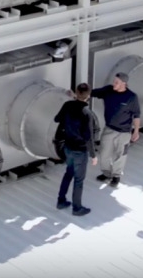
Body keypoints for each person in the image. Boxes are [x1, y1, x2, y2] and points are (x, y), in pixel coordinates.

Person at [54, 82, 98, 216]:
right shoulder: (87, 113)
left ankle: (61, 200)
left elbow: (57, 119)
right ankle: (77, 208)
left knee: (68, 173)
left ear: (76, 93)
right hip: (80, 151)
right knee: (79, 180)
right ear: (88, 96)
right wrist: (93, 155)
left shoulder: (68, 105)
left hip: (68, 147)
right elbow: (89, 137)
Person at [91, 72, 140, 187]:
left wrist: (136, 131)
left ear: (124, 83)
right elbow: (92, 92)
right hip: (109, 129)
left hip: (124, 132)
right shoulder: (108, 90)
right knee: (104, 153)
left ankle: (116, 176)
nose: (114, 84)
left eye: (117, 82)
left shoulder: (132, 97)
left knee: (121, 154)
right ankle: (106, 173)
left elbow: (136, 115)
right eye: (114, 81)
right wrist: (77, 94)